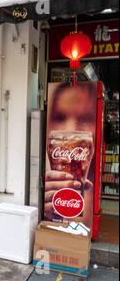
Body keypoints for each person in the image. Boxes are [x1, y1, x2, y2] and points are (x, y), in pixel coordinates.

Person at [45, 82, 97, 225]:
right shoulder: (44, 181)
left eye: (85, 118)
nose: (71, 130)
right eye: (60, 117)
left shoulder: (93, 193)